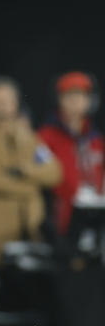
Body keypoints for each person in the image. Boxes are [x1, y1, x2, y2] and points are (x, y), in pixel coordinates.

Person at [0, 77, 61, 264]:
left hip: (30, 233)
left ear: (16, 103)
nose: (2, 106)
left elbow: (54, 171)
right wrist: (32, 188)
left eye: (6, 101)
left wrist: (27, 171)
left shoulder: (29, 138)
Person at [37, 72, 104, 237]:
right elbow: (41, 175)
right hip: (61, 220)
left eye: (81, 96)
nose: (75, 102)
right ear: (59, 100)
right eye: (69, 96)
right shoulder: (45, 137)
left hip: (96, 217)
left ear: (91, 101)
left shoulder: (97, 139)